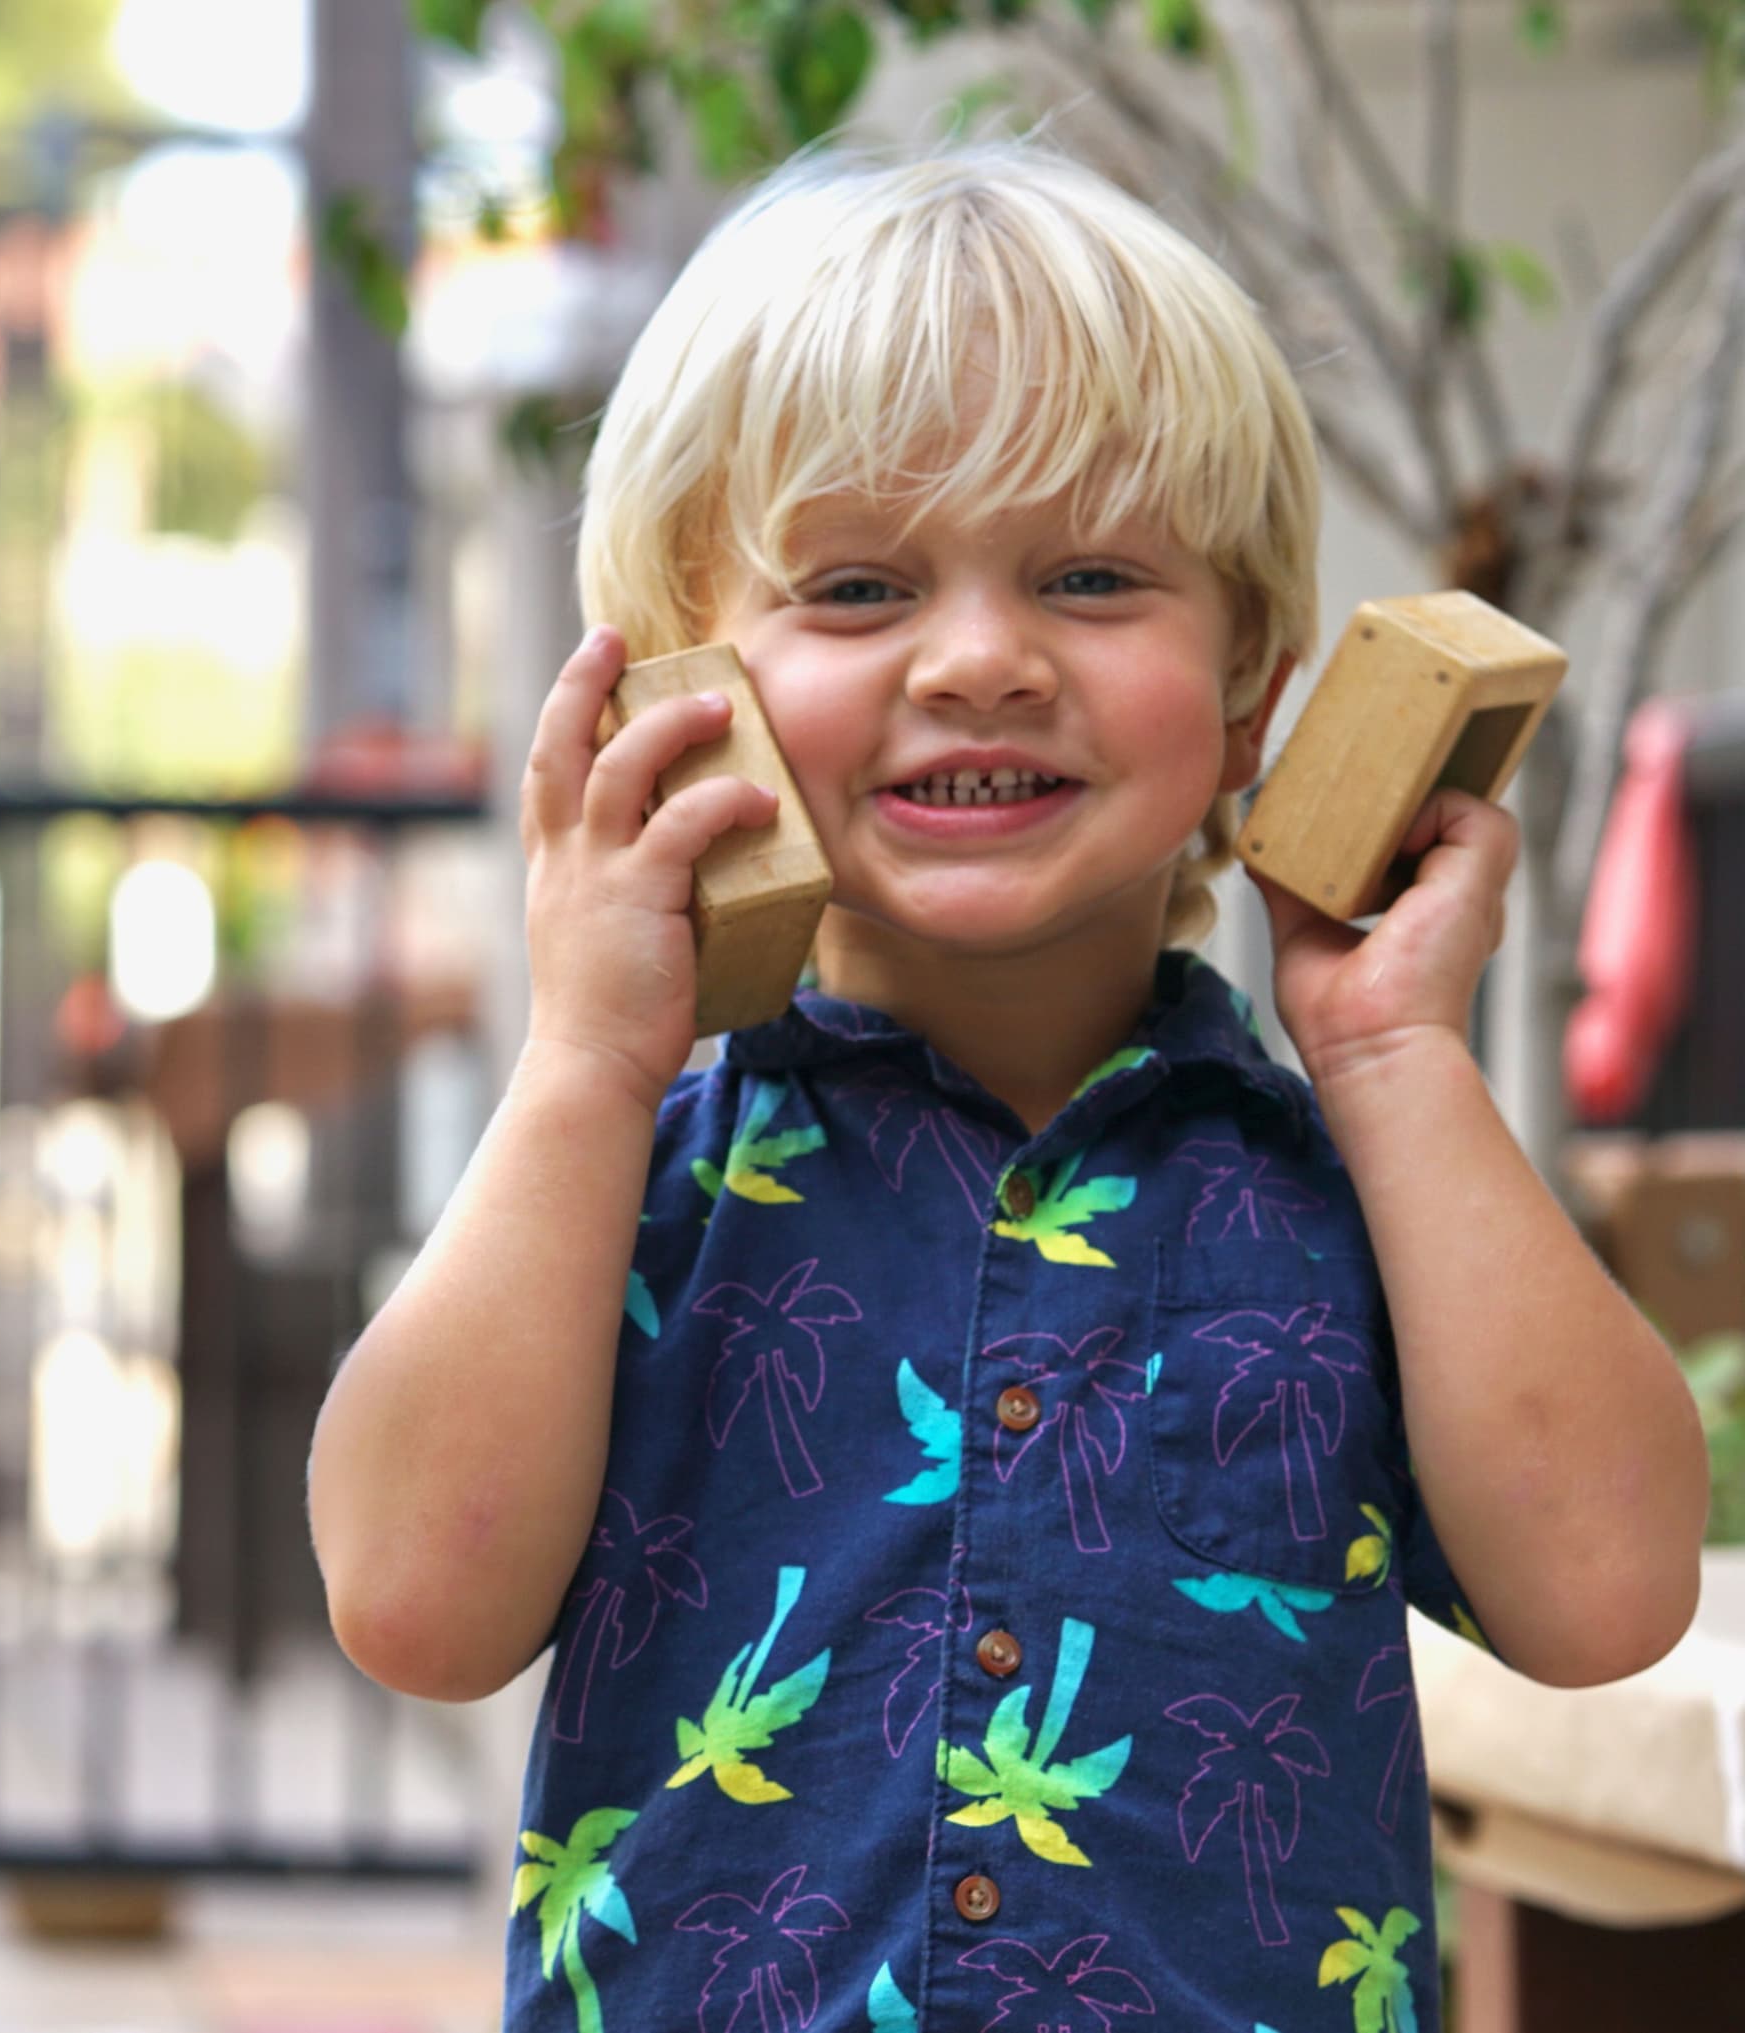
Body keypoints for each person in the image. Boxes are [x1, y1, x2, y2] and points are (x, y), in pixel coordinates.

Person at [307, 146, 1705, 2032]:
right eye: (863, 585)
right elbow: (411, 1597)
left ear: (1248, 691)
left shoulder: (1355, 1188)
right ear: (683, 685)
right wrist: (578, 1058)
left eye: (1093, 576)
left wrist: (1396, 1055)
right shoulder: (630, 1178)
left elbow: (1610, 1588)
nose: (980, 660)